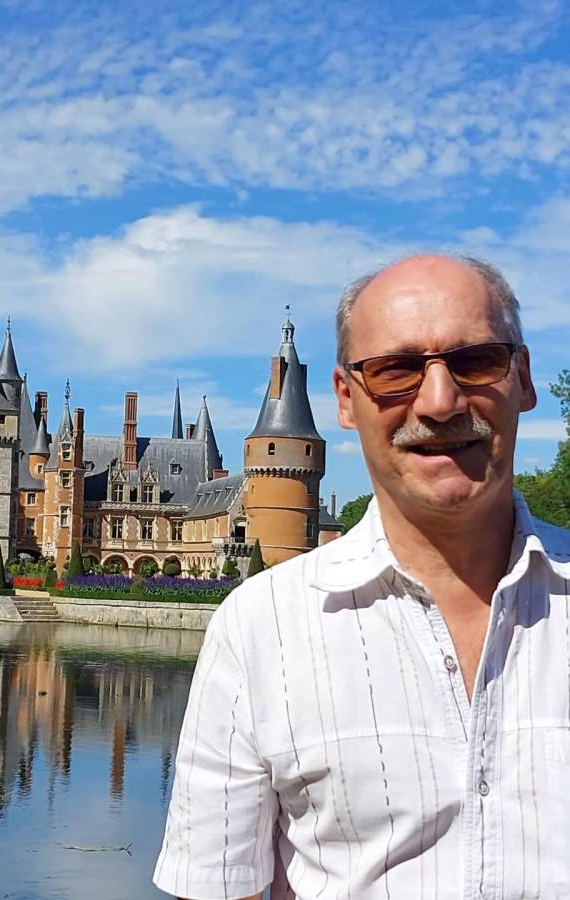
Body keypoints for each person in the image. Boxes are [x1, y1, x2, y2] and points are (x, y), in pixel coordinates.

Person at [153, 254, 570, 899]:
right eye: (396, 369)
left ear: (524, 378)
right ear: (346, 400)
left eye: (476, 361)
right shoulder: (259, 628)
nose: (439, 401)